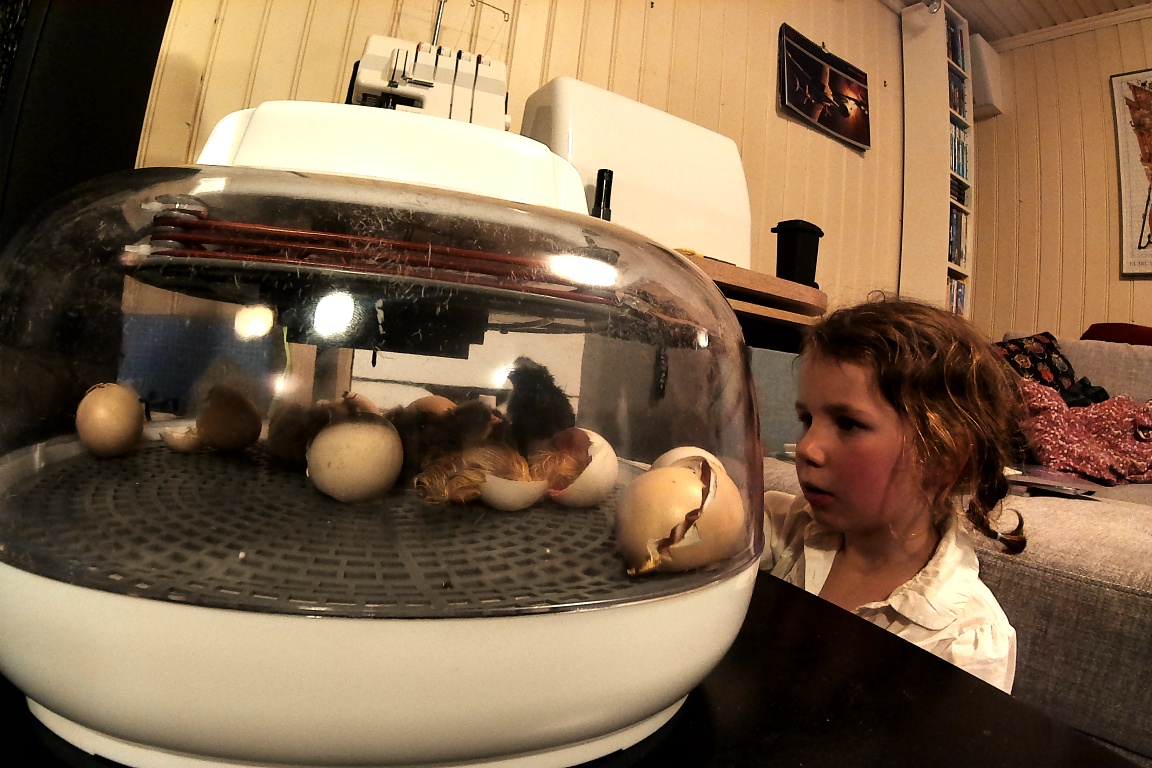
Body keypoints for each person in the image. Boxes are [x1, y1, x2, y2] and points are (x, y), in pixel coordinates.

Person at [760, 295, 1026, 693]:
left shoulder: (967, 639)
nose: (806, 448)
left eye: (847, 424)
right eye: (807, 419)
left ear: (943, 456)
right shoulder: (786, 530)